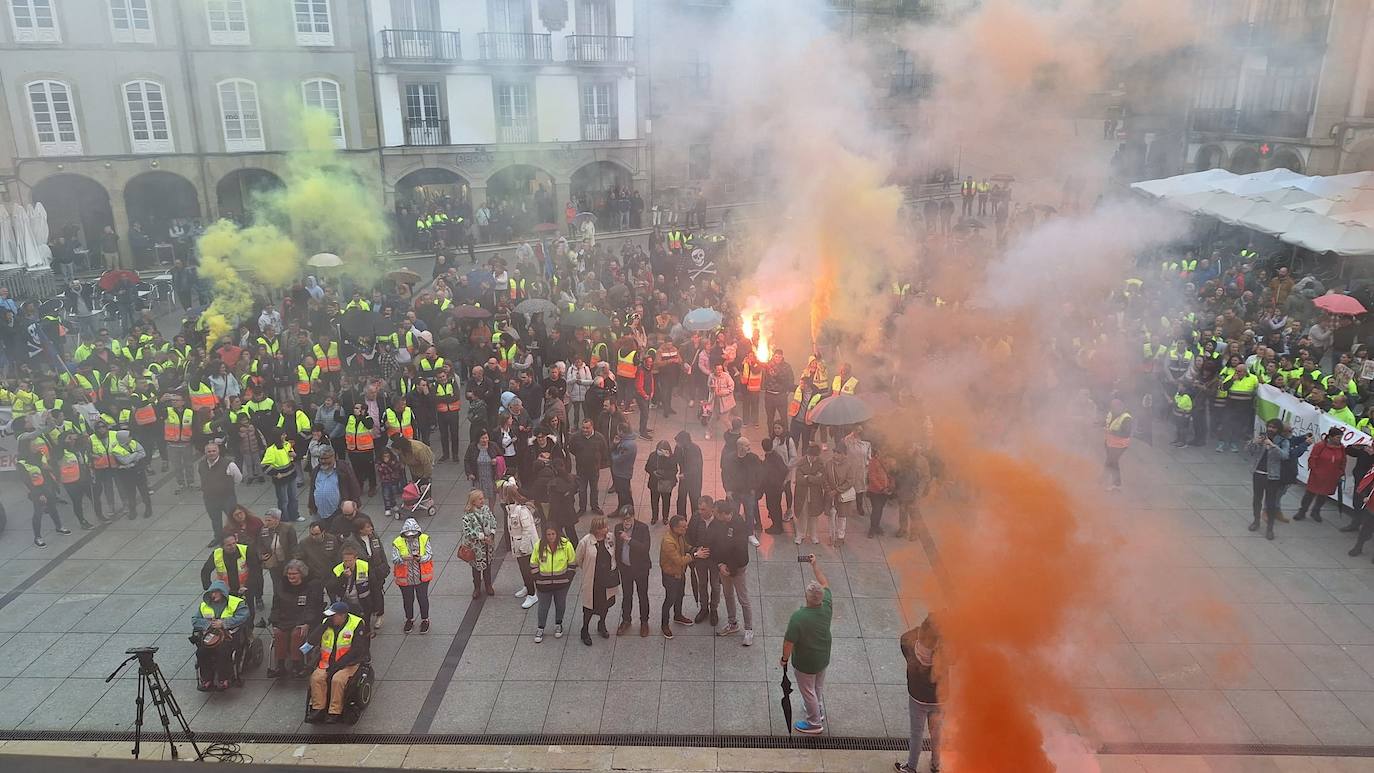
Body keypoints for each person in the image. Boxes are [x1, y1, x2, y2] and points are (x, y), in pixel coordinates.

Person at [781, 555, 831, 735]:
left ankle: (814, 723)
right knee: (817, 687)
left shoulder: (799, 618)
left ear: (807, 598)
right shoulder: (826, 604)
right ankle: (818, 710)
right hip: (823, 657)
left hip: (806, 662)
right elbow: (824, 582)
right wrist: (815, 565)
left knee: (808, 691)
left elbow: (789, 642)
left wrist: (784, 659)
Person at [304, 601, 371, 724]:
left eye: (333, 615)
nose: (330, 618)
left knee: (338, 680)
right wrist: (323, 627)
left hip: (348, 663)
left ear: (342, 615)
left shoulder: (356, 624)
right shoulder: (326, 623)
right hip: (327, 662)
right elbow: (312, 640)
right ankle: (318, 709)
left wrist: (338, 666)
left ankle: (335, 711)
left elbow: (357, 650)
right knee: (316, 678)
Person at [896, 616, 944, 773]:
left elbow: (905, 637)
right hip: (939, 699)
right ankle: (936, 764)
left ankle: (911, 767)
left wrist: (922, 630)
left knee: (916, 733)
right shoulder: (944, 653)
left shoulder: (909, 647)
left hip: (917, 698)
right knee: (936, 732)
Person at [267, 559, 324, 678]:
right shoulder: (281, 586)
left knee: (296, 634)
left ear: (301, 574)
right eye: (289, 574)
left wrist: (307, 623)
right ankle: (280, 666)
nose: (291, 576)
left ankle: (297, 664)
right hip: (285, 618)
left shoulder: (311, 586)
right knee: (279, 634)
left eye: (294, 574)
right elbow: (276, 606)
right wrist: (274, 622)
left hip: (302, 619)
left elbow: (311, 607)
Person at [710, 496, 754, 645]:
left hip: (738, 567)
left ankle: (749, 629)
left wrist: (730, 568)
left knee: (743, 598)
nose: (714, 515)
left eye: (716, 513)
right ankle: (732, 623)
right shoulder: (718, 522)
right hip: (724, 566)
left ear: (723, 513)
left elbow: (739, 550)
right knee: (728, 595)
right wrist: (720, 564)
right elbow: (714, 543)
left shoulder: (739, 524)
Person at [192, 580, 250, 691]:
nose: (213, 595)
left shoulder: (237, 603)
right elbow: (195, 620)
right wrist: (207, 625)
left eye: (216, 592)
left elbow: (243, 616)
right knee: (201, 652)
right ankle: (207, 679)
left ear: (222, 592)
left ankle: (224, 679)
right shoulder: (204, 606)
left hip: (230, 636)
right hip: (212, 636)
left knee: (222, 651)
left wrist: (224, 623)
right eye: (211, 593)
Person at [575, 514, 619, 646]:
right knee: (589, 607)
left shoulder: (610, 537)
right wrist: (588, 569)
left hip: (607, 579)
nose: (607, 529)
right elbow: (578, 559)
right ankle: (585, 630)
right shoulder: (585, 542)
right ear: (597, 529)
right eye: (604, 527)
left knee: (605, 605)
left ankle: (602, 624)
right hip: (593, 581)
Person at [660, 515, 707, 638]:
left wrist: (694, 549)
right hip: (670, 576)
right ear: (675, 528)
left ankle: (678, 615)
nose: (686, 528)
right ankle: (664, 624)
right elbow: (679, 560)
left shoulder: (679, 536)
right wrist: (696, 555)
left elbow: (685, 546)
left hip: (680, 573)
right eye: (683, 527)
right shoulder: (668, 541)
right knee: (669, 600)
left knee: (680, 595)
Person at [531, 524, 577, 643]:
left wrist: (568, 579)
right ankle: (540, 627)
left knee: (560, 604)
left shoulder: (566, 545)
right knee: (543, 607)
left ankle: (558, 624)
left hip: (561, 584)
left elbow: (572, 563)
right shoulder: (538, 546)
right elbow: (533, 564)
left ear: (557, 534)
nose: (551, 537)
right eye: (548, 534)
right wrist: (538, 579)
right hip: (543, 584)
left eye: (553, 534)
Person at [613, 504, 652, 638]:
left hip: (640, 569)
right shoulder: (618, 528)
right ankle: (626, 620)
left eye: (628, 518)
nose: (626, 521)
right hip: (625, 568)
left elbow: (644, 548)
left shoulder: (642, 528)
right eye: (623, 519)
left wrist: (628, 540)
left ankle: (644, 622)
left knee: (642, 595)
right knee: (627, 595)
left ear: (633, 517)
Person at [391, 517, 434, 634]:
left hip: (422, 577)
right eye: (408, 535)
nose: (410, 537)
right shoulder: (397, 542)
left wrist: (420, 558)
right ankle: (409, 619)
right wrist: (402, 559)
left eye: (413, 535)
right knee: (408, 600)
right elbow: (394, 559)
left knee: (422, 598)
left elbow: (429, 554)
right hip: (405, 578)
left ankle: (425, 619)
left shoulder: (424, 539)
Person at [1251, 418, 1291, 540]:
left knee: (1271, 503)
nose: (1270, 429)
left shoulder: (1283, 441)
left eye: (1274, 427)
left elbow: (1285, 456)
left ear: (1278, 429)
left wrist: (1273, 446)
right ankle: (1256, 521)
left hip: (1272, 476)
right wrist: (1254, 442)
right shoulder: (1262, 437)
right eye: (1269, 426)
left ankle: (1270, 529)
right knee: (1257, 499)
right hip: (1258, 473)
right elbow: (1249, 451)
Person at [1295, 426, 1345, 524]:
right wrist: (1314, 470)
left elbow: (1343, 461)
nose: (1339, 440)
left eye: (1340, 438)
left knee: (1323, 495)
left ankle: (1316, 511)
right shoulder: (1320, 446)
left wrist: (1340, 472)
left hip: (1331, 476)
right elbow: (1313, 458)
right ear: (1330, 437)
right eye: (1337, 437)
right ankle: (1302, 511)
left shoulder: (1341, 448)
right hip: (1317, 475)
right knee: (1309, 494)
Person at [19, 446, 66, 548]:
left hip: (47, 486)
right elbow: (27, 482)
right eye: (32, 444)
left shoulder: (39, 456)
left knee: (53, 508)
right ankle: (38, 537)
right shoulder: (22, 463)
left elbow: (48, 469)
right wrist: (38, 494)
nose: (35, 446)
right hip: (36, 491)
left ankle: (59, 527)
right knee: (38, 513)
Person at [504, 481, 540, 610]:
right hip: (519, 546)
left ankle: (532, 594)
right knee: (522, 568)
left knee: (527, 570)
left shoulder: (521, 510)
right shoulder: (512, 509)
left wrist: (523, 547)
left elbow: (527, 530)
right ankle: (527, 586)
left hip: (525, 547)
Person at [200, 440, 243, 546]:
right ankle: (218, 538)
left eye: (214, 451)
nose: (211, 453)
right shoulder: (201, 464)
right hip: (210, 499)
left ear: (218, 451)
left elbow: (238, 478)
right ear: (205, 453)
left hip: (227, 498)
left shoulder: (229, 464)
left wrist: (228, 488)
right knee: (215, 520)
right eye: (209, 451)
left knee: (233, 519)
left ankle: (236, 538)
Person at [354, 515, 390, 630]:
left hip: (377, 570)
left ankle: (380, 614)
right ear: (360, 530)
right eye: (368, 527)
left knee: (378, 592)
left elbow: (381, 551)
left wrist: (385, 565)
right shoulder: (352, 541)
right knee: (366, 595)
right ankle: (368, 614)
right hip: (364, 572)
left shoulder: (374, 536)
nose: (371, 529)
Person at [461, 488, 499, 598]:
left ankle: (488, 585)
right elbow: (467, 531)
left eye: (483, 498)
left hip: (488, 546)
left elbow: (493, 521)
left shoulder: (486, 510)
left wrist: (491, 534)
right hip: (476, 548)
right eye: (480, 499)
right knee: (476, 570)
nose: (482, 501)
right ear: (473, 501)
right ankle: (477, 588)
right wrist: (482, 537)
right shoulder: (468, 515)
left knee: (488, 567)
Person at [308, 447, 362, 520]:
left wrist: (355, 503)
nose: (323, 461)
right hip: (319, 513)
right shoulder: (316, 471)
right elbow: (312, 489)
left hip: (338, 513)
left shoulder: (343, 469)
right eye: (321, 458)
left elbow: (354, 486)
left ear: (334, 456)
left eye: (326, 458)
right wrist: (311, 506)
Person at [569, 418, 609, 515]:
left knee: (594, 489)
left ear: (592, 427)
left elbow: (604, 451)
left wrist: (598, 463)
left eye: (587, 428)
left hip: (594, 470)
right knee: (582, 490)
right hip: (581, 470)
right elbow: (572, 449)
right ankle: (582, 508)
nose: (585, 430)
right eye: (583, 428)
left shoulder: (599, 438)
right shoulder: (576, 437)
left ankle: (594, 507)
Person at [262, 430, 300, 521]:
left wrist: (293, 455)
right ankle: (284, 519)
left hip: (291, 475)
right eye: (283, 435)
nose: (285, 436)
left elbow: (292, 455)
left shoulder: (287, 444)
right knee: (284, 501)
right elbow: (264, 465)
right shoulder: (271, 450)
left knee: (294, 497)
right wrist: (275, 473)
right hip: (281, 479)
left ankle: (295, 516)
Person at [794, 443, 827, 545]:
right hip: (802, 493)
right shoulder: (801, 463)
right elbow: (799, 479)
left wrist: (808, 477)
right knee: (802, 514)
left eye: (815, 456)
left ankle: (814, 535)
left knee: (813, 515)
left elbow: (821, 479)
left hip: (815, 494)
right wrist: (813, 477)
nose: (813, 458)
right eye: (811, 456)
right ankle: (800, 534)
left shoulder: (821, 463)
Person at [644, 439, 679, 525]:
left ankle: (665, 517)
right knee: (654, 501)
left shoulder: (671, 458)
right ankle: (654, 517)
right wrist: (653, 472)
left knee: (666, 501)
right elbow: (647, 467)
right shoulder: (653, 455)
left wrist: (664, 474)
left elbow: (674, 471)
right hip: (654, 483)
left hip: (666, 484)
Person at [1103, 397, 1132, 491]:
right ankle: (1105, 479)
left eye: (1115, 407)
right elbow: (1107, 422)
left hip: (1120, 445)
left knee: (1112, 463)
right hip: (1110, 443)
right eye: (1112, 407)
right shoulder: (1111, 413)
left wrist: (1112, 432)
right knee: (1111, 462)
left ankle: (1116, 484)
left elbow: (1126, 433)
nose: (1112, 409)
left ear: (1121, 407)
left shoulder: (1126, 418)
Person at [610, 423, 637, 510]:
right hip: (619, 471)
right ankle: (620, 508)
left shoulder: (628, 445)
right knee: (621, 493)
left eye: (618, 430)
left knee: (625, 494)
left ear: (621, 431)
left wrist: (612, 452)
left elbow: (617, 459)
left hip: (623, 473)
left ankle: (628, 511)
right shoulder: (624, 440)